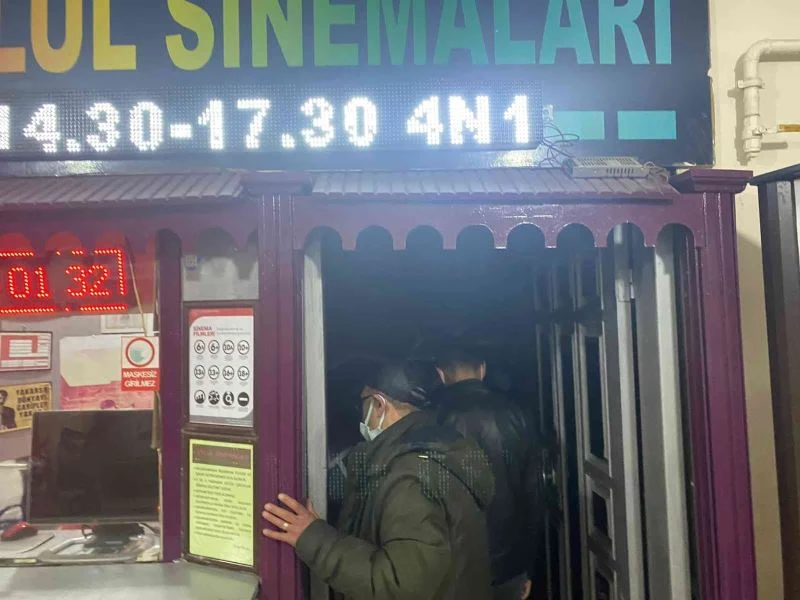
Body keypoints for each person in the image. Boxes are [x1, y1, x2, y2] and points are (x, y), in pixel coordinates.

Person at [262, 360, 496, 600]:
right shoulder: (438, 449)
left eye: (363, 403)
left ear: (379, 404)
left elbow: (401, 584)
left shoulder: (410, 478)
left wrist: (315, 539)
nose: (362, 414)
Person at [430, 338, 543, 600]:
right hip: (507, 565)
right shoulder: (517, 414)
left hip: (452, 566)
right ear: (482, 369)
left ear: (441, 374)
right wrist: (527, 566)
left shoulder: (434, 418)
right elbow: (533, 495)